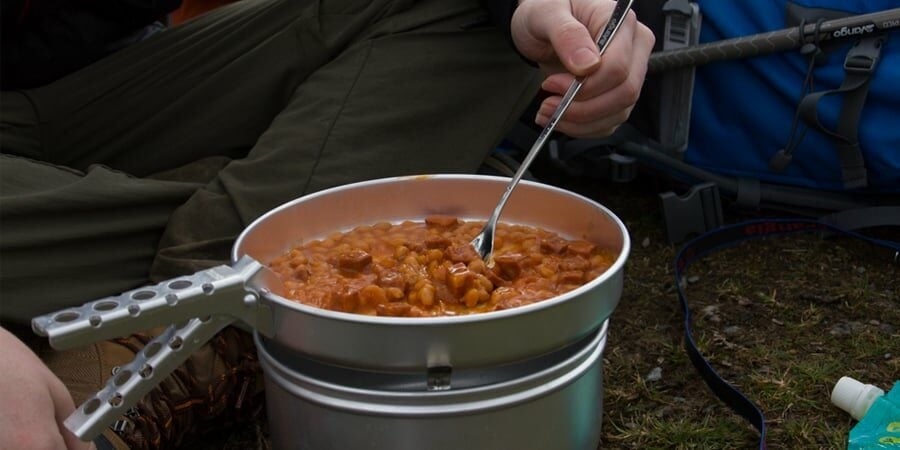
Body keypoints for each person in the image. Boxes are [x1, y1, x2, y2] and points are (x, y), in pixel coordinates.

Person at [0, 0, 654, 448]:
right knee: (304, 223)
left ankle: (239, 225)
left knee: (483, 19)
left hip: (88, 82)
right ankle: (122, 353)